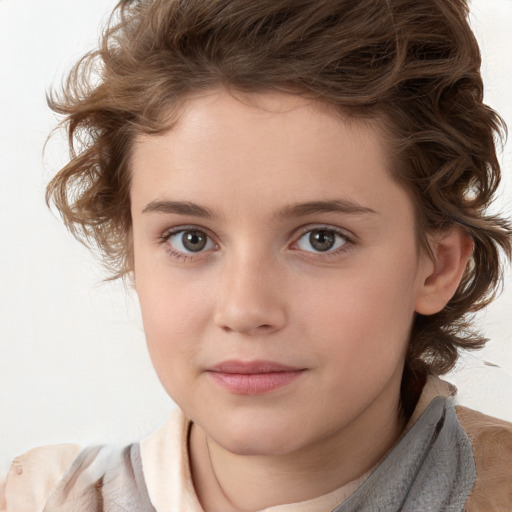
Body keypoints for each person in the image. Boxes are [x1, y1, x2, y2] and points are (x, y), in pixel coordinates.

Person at [1, 0, 511, 510]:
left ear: (437, 265)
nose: (244, 310)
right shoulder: (43, 498)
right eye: (190, 239)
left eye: (321, 239)